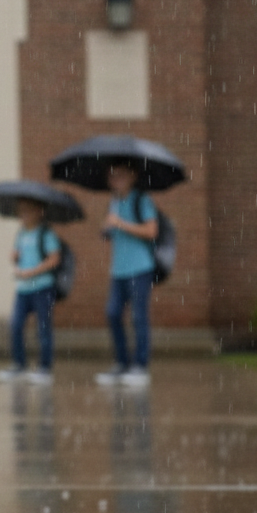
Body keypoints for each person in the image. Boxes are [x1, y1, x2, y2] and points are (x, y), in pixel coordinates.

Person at [95, 161, 158, 387]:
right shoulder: (113, 202)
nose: (115, 180)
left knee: (138, 316)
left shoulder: (142, 200)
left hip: (140, 267)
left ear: (132, 177)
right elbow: (112, 231)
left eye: (120, 175)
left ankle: (140, 367)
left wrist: (120, 223)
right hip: (118, 270)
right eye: (112, 176)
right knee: (112, 313)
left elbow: (151, 231)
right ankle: (122, 364)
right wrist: (107, 228)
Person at [0, 197, 61, 385]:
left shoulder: (46, 234)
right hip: (23, 289)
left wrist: (32, 272)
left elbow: (54, 259)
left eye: (27, 211)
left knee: (43, 327)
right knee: (15, 325)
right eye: (21, 212)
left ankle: (44, 367)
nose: (23, 216)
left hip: (42, 287)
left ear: (39, 212)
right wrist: (14, 259)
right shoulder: (21, 233)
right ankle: (19, 364)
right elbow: (17, 256)